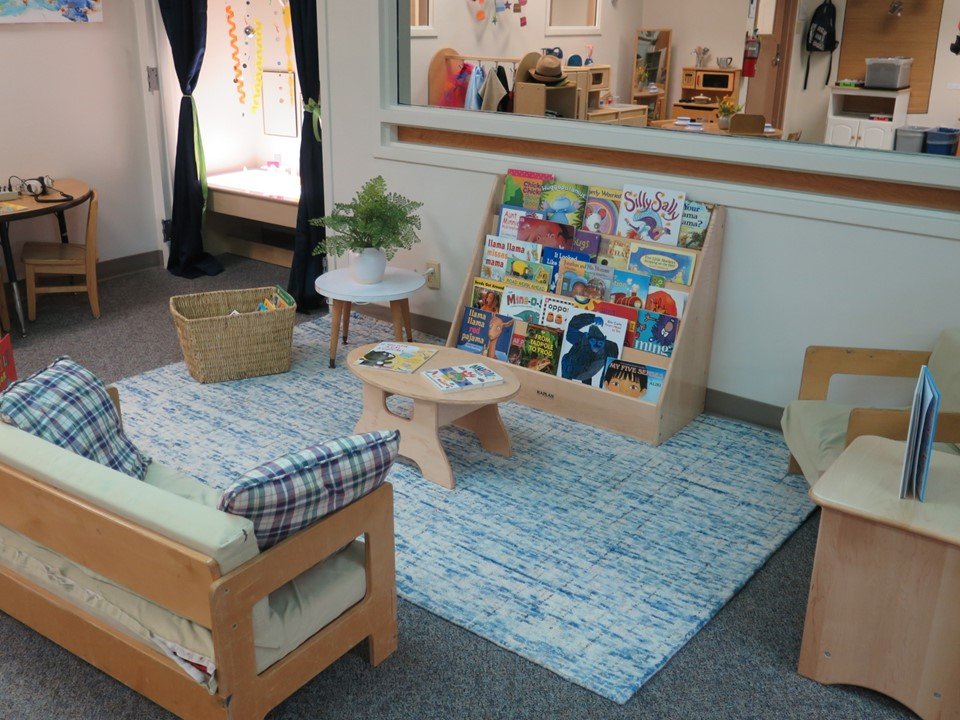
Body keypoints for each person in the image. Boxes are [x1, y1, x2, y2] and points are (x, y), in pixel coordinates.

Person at [559, 313, 619, 385]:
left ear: (604, 340)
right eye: (593, 341)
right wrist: (591, 319)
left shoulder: (611, 348)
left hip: (589, 371)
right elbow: (572, 326)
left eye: (600, 343)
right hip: (570, 369)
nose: (596, 345)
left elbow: (608, 372)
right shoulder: (581, 338)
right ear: (588, 338)